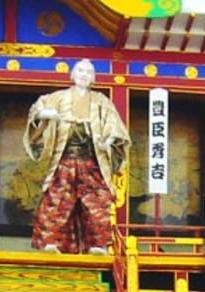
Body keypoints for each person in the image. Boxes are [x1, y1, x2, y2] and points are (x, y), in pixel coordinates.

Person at [25, 59, 129, 254]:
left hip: (92, 159)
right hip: (64, 159)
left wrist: (108, 141)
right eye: (80, 70)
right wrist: (48, 114)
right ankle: (51, 243)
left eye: (89, 72)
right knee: (57, 200)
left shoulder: (101, 101)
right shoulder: (58, 97)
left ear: (93, 78)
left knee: (98, 201)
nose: (84, 75)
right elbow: (36, 111)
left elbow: (115, 127)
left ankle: (97, 245)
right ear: (72, 75)